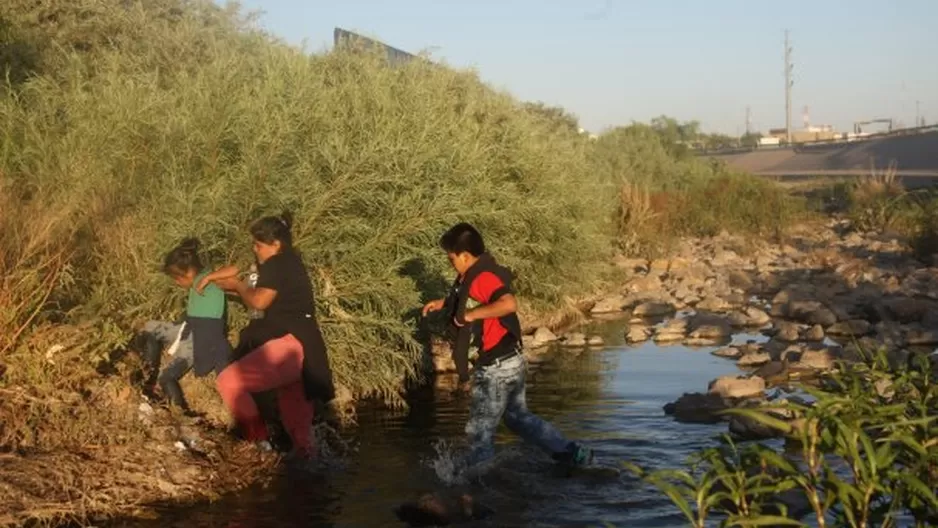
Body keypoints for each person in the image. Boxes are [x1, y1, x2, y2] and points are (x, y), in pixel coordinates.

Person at [422, 223, 593, 473]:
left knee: (480, 432)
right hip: (511, 360)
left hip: (496, 368)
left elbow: (508, 303)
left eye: (451, 259)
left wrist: (470, 315)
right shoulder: (473, 273)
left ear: (465, 256)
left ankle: (471, 484)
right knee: (517, 418)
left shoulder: (482, 277)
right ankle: (570, 452)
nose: (451, 263)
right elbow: (465, 296)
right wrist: (443, 303)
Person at [201, 211, 335, 458]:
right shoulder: (291, 261)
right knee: (301, 436)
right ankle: (313, 473)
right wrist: (218, 280)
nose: (255, 250)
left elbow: (260, 301)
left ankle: (259, 445)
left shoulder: (276, 263)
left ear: (276, 244)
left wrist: (239, 287)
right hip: (307, 349)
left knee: (229, 381)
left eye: (259, 245)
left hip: (290, 346)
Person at [139, 237, 231, 416]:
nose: (176, 283)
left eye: (176, 279)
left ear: (187, 274)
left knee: (167, 377)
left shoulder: (208, 280)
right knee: (149, 327)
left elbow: (237, 270)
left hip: (195, 339)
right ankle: (147, 373)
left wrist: (211, 277)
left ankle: (182, 412)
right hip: (186, 327)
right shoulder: (199, 280)